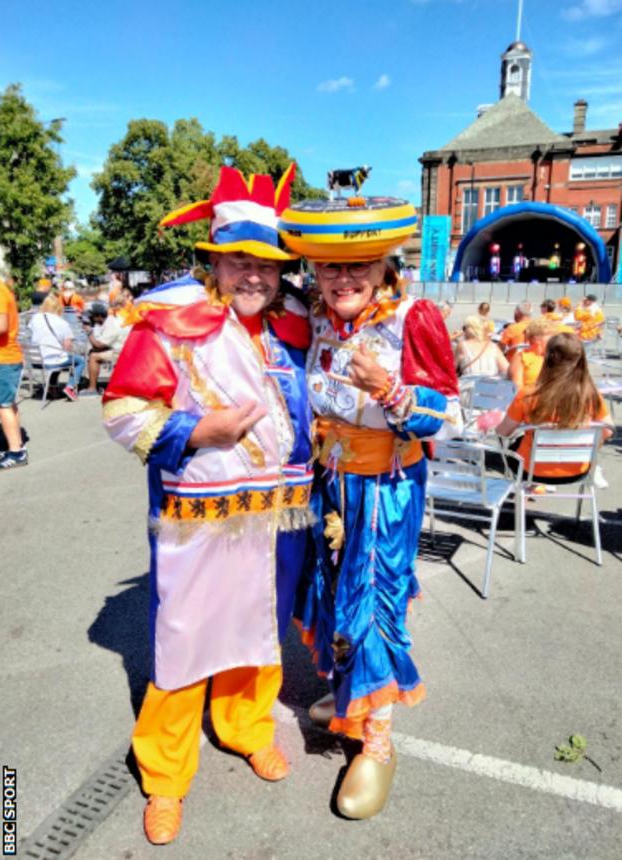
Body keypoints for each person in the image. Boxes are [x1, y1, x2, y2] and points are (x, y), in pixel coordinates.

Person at [103, 164, 312, 845]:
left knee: (261, 628)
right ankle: (164, 774)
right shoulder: (169, 320)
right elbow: (124, 412)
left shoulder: (297, 323)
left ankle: (247, 728)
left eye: (268, 263)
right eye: (239, 260)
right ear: (215, 260)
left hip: (280, 511)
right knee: (185, 638)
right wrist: (197, 431)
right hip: (198, 515)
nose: (255, 275)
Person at [279, 194, 459, 819]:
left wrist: (388, 389)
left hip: (385, 490)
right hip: (329, 483)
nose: (345, 279)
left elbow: (448, 417)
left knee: (372, 604)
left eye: (361, 266)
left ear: (386, 265)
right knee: (329, 594)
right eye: (331, 268)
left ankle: (378, 741)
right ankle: (351, 691)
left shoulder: (415, 318)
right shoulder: (316, 318)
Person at [497, 333, 612, 486]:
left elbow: (503, 432)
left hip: (532, 470)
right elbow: (607, 430)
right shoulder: (591, 394)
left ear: (547, 358)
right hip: (578, 469)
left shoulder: (528, 394)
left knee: (510, 450)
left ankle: (520, 496)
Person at [29, 294, 85, 401]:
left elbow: (32, 333)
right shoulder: (62, 323)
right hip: (52, 360)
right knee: (79, 361)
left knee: (57, 355)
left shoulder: (35, 318)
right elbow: (67, 346)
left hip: (36, 360)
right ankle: (70, 387)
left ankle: (52, 387)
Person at [0, 278, 27, 469]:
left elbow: (1, 326)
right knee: (7, 404)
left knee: (2, 406)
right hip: (7, 357)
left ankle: (16, 452)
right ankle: (15, 445)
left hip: (3, 357)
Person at [81, 294, 132, 396]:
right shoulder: (115, 318)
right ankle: (91, 383)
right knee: (93, 352)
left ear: (99, 316)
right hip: (125, 349)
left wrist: (88, 332)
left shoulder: (111, 323)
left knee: (93, 356)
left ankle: (92, 389)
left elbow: (98, 345)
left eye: (93, 317)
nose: (92, 320)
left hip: (121, 353)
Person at [508, 319, 556, 390]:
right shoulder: (521, 358)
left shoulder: (555, 357)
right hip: (528, 398)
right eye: (552, 337)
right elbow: (517, 389)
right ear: (537, 339)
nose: (555, 340)